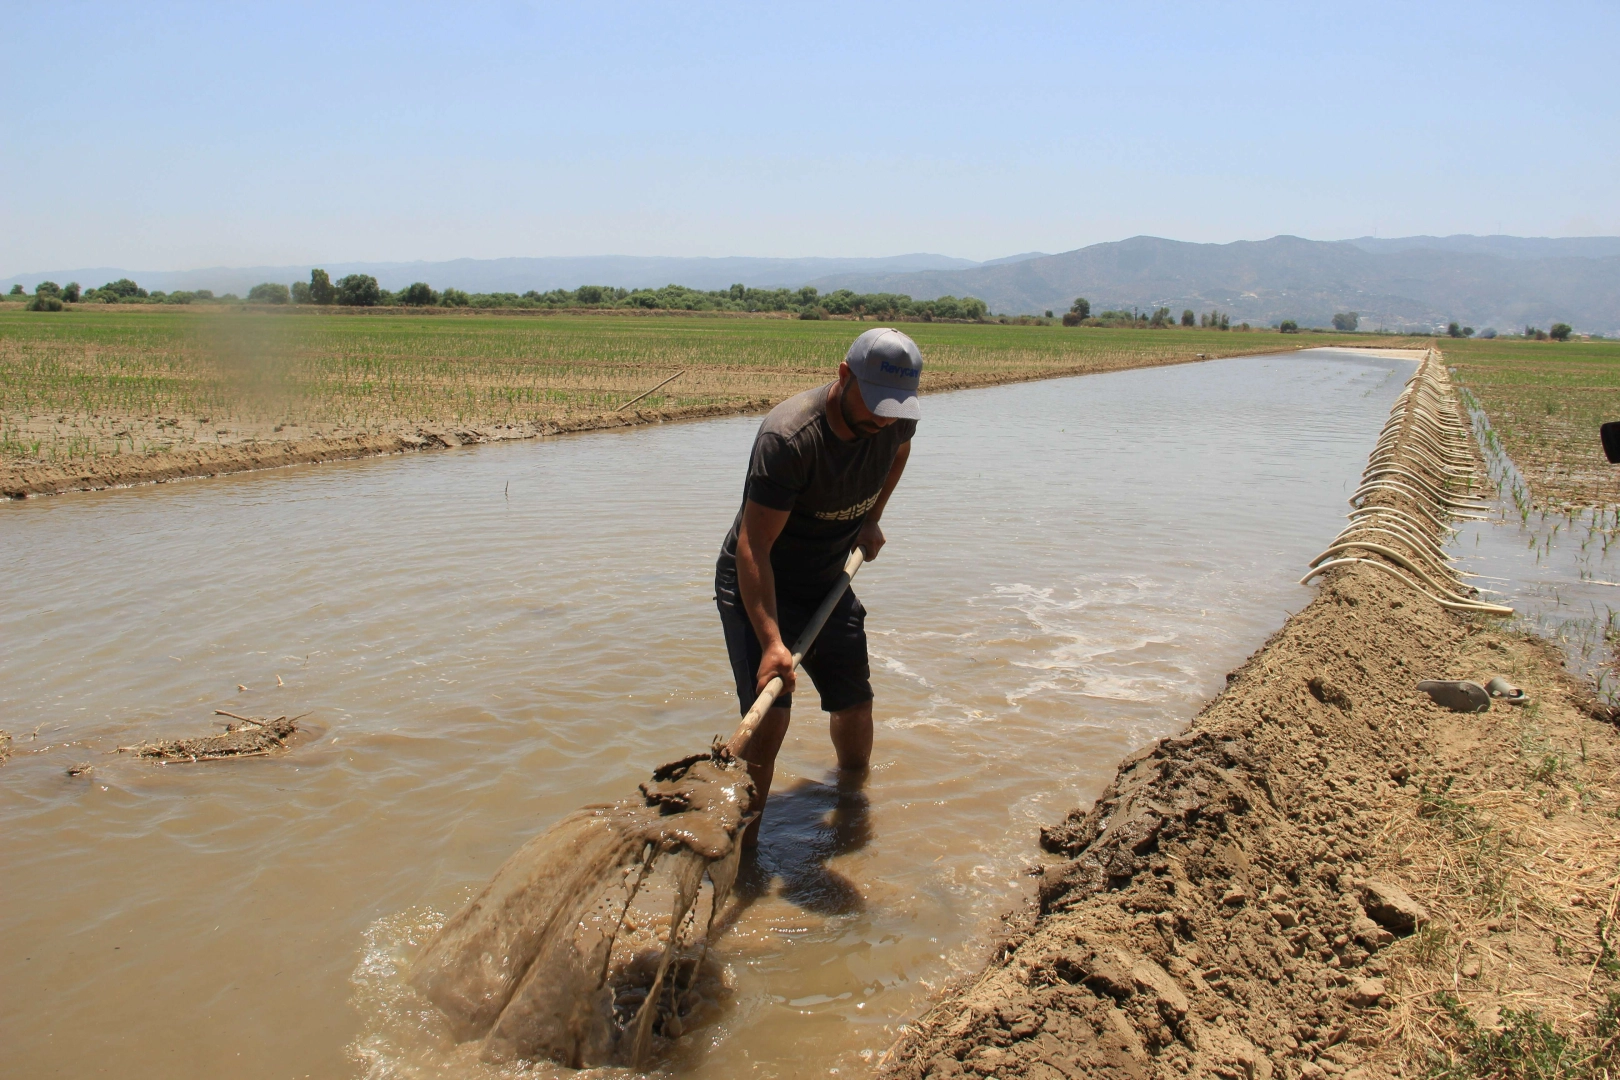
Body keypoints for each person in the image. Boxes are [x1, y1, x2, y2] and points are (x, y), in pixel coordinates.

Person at [716, 327, 922, 847]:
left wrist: (872, 517)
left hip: (828, 575)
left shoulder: (895, 422)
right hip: (762, 581)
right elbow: (752, 547)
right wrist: (771, 643)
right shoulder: (788, 439)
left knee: (854, 702)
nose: (882, 419)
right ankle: (746, 845)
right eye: (874, 404)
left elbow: (898, 452)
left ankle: (851, 802)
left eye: (893, 408)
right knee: (771, 719)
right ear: (843, 376)